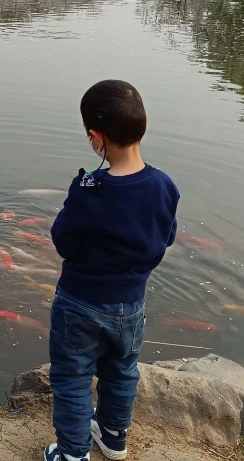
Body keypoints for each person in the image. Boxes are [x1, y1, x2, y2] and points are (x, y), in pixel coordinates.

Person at [45, 80, 179, 461]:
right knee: (122, 372)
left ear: (95, 137)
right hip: (132, 305)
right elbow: (165, 237)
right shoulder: (164, 186)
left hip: (79, 304)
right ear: (143, 127)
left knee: (72, 378)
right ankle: (113, 437)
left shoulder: (90, 189)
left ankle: (73, 454)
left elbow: (64, 242)